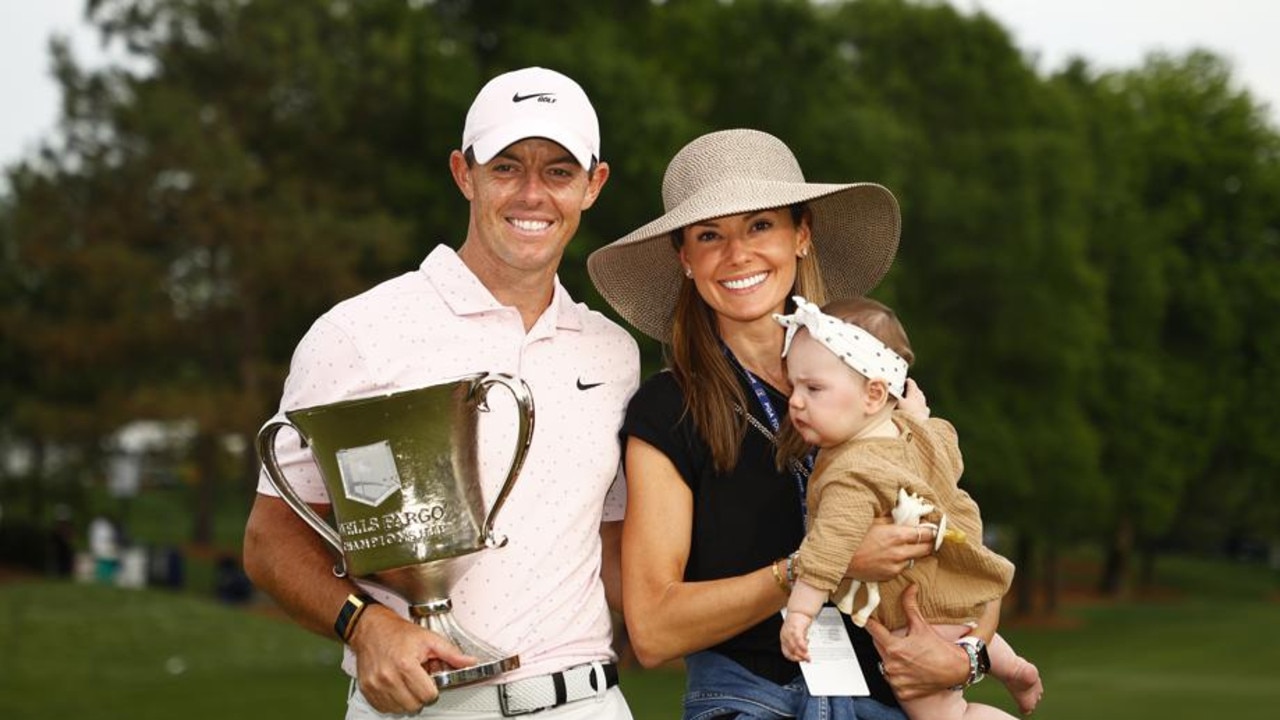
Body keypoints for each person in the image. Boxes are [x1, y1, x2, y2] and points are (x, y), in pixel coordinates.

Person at [242, 66, 639, 719]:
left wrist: (807, 579)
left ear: (593, 185)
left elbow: (621, 552)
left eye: (559, 172)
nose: (532, 194)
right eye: (506, 167)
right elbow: (269, 541)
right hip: (419, 706)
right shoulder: (360, 331)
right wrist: (364, 624)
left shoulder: (612, 352)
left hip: (585, 701)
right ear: (464, 173)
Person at [587, 128, 989, 719]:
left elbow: (962, 547)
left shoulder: (873, 375)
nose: (737, 254)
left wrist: (968, 659)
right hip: (750, 700)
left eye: (759, 225)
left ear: (801, 235)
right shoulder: (666, 410)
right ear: (685, 260)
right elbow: (653, 629)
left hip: (891, 700)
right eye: (708, 235)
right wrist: (818, 563)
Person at [774, 296, 1043, 717]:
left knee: (948, 714)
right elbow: (949, 453)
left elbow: (827, 551)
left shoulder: (853, 471)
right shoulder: (911, 435)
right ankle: (1012, 667)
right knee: (968, 635)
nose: (795, 401)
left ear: (874, 393)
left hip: (916, 618)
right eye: (793, 386)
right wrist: (918, 416)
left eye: (814, 388)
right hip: (958, 597)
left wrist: (800, 615)